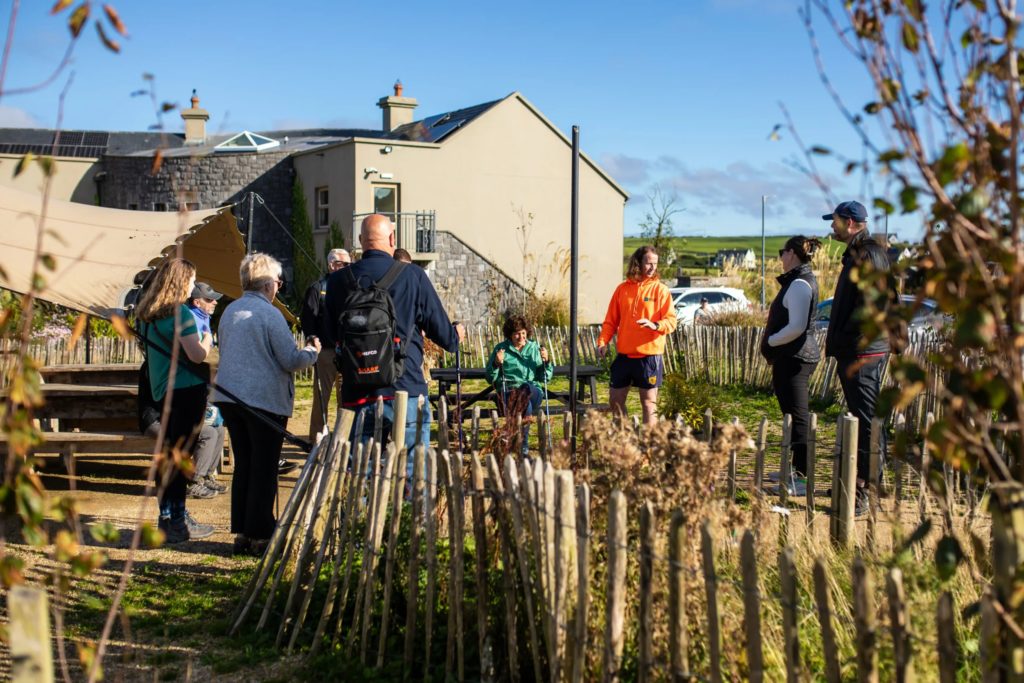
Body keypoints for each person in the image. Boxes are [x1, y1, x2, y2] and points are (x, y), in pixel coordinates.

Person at [325, 214, 464, 465]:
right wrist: (456, 335)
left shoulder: (337, 282)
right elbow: (446, 337)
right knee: (411, 470)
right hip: (405, 387)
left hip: (358, 391)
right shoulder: (413, 276)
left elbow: (331, 334)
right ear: (392, 239)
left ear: (360, 241)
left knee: (362, 473)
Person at [215, 253, 320, 556]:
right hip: (261, 400)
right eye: (277, 282)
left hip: (230, 396)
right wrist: (312, 352)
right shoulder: (269, 314)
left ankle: (243, 531)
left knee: (245, 464)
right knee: (263, 466)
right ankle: (261, 533)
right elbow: (290, 359)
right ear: (267, 284)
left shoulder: (230, 310)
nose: (278, 287)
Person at [134, 257, 215, 543]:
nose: (193, 286)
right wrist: (208, 339)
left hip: (161, 391)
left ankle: (167, 517)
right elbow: (197, 355)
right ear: (180, 282)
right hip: (186, 391)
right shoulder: (181, 314)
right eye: (191, 280)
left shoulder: (147, 315)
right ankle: (178, 522)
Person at [823, 200, 893, 515]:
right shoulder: (859, 253)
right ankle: (859, 481)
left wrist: (849, 338)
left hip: (864, 349)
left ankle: (867, 488)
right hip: (857, 347)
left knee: (868, 420)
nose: (831, 226)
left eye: (835, 220)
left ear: (850, 223)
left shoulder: (868, 255)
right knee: (862, 415)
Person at [761, 236, 822, 497]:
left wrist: (772, 340)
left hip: (796, 358)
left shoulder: (799, 284)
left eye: (782, 252)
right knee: (792, 415)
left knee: (798, 417)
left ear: (792, 254)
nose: (780, 258)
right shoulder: (798, 281)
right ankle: (795, 470)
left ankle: (802, 477)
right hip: (791, 356)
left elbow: (797, 326)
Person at [596, 245, 678, 427]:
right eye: (648, 263)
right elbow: (610, 321)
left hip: (649, 356)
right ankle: (624, 439)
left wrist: (655, 325)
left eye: (655, 263)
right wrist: (603, 341)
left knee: (649, 403)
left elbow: (672, 321)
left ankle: (648, 443)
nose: (652, 267)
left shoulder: (661, 290)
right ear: (638, 263)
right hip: (624, 355)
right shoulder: (622, 289)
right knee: (615, 400)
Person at [485, 314, 553, 456]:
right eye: (517, 334)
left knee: (525, 388)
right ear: (510, 335)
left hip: (532, 391)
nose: (521, 337)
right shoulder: (501, 349)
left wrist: (546, 362)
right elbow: (490, 378)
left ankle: (510, 435)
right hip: (508, 392)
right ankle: (523, 449)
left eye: (523, 333)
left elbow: (545, 378)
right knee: (526, 405)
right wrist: (496, 363)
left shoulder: (535, 348)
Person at [301, 248, 351, 442]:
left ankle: (342, 440)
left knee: (345, 399)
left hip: (346, 351)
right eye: (344, 264)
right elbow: (308, 318)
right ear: (332, 265)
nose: (348, 267)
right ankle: (316, 440)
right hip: (326, 352)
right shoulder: (318, 288)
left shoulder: (351, 287)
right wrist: (312, 337)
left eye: (349, 264)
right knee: (321, 398)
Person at [184, 281, 228, 498]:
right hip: (195, 385)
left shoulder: (203, 318)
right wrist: (209, 340)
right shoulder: (191, 319)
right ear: (196, 302)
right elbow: (198, 355)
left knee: (219, 429)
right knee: (209, 430)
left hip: (207, 383)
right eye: (209, 300)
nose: (214, 303)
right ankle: (196, 480)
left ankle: (208, 475)